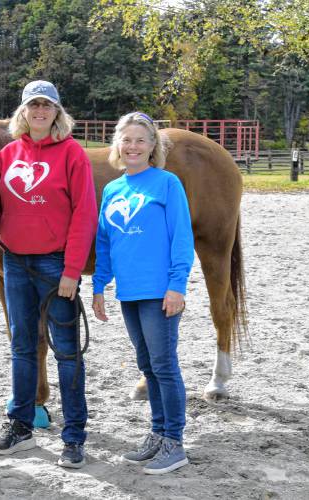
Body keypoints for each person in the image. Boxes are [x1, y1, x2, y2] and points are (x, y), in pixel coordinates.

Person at [0, 80, 97, 468]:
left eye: (47, 105)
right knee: (22, 346)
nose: (40, 111)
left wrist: (72, 270)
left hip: (55, 263)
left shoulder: (72, 154)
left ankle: (74, 435)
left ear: (58, 112)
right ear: (23, 112)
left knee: (66, 351)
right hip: (15, 261)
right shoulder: (8, 154)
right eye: (34, 105)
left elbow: (84, 215)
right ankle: (21, 426)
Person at [92, 111, 194, 474]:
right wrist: (99, 285)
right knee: (147, 366)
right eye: (127, 139)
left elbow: (182, 237)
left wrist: (176, 286)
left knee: (165, 366)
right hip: (129, 293)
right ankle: (156, 433)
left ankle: (174, 442)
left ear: (153, 146)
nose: (133, 146)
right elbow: (104, 242)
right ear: (118, 145)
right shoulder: (112, 189)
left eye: (140, 140)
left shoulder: (167, 183)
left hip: (159, 292)